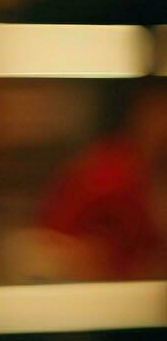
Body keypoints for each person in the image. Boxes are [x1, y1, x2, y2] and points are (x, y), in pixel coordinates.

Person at [35, 80, 167, 279]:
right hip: (102, 295)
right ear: (142, 115)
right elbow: (50, 242)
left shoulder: (152, 174)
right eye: (160, 112)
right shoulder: (103, 173)